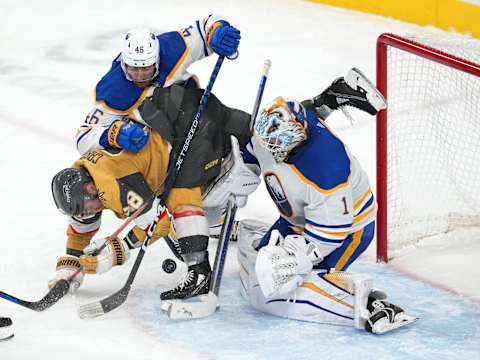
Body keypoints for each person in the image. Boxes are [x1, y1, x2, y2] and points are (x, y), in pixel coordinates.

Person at [236, 68, 416, 333]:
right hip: (299, 218)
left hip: (348, 229)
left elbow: (333, 231)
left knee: (302, 281)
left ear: (293, 145)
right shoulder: (277, 127)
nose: (269, 151)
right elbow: (255, 149)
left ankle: (373, 305)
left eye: (276, 148)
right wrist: (238, 170)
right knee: (263, 275)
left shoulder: (327, 167)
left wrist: (302, 255)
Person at [48, 86, 260, 303]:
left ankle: (200, 274)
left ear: (90, 189)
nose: (88, 213)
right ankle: (214, 223)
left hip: (189, 124)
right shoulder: (84, 179)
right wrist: (70, 264)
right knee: (255, 134)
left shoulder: (113, 188)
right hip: (173, 113)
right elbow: (81, 228)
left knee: (181, 198)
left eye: (86, 209)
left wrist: (121, 247)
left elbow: (159, 224)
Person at [76, 14, 241, 156]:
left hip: (192, 108)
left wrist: (218, 31)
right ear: (124, 65)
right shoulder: (114, 90)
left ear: (157, 60)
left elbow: (208, 25)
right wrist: (112, 135)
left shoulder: (172, 48)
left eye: (146, 68)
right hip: (151, 140)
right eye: (133, 69)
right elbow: (83, 139)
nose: (140, 76)